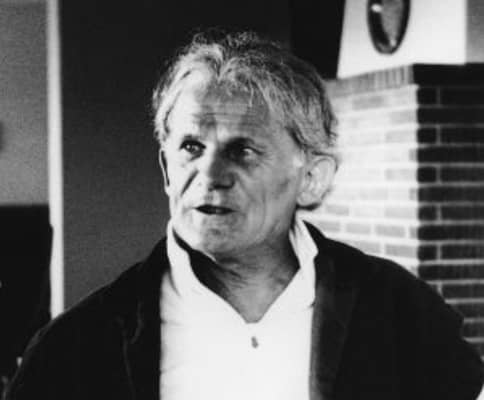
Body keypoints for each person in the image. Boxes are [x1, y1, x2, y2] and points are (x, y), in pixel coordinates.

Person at [5, 31, 484, 400]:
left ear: (312, 177)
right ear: (167, 170)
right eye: (191, 147)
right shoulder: (75, 347)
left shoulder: (405, 315)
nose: (211, 175)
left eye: (243, 150)